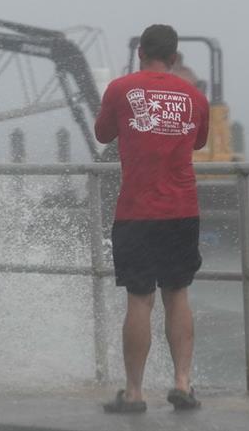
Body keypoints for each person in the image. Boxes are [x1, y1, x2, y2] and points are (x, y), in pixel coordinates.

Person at [94, 24, 209, 413]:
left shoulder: (121, 89)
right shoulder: (194, 96)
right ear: (174, 58)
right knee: (177, 295)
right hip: (182, 210)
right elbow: (198, 141)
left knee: (140, 300)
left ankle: (135, 392)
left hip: (137, 212)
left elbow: (102, 133)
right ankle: (182, 384)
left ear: (140, 51)